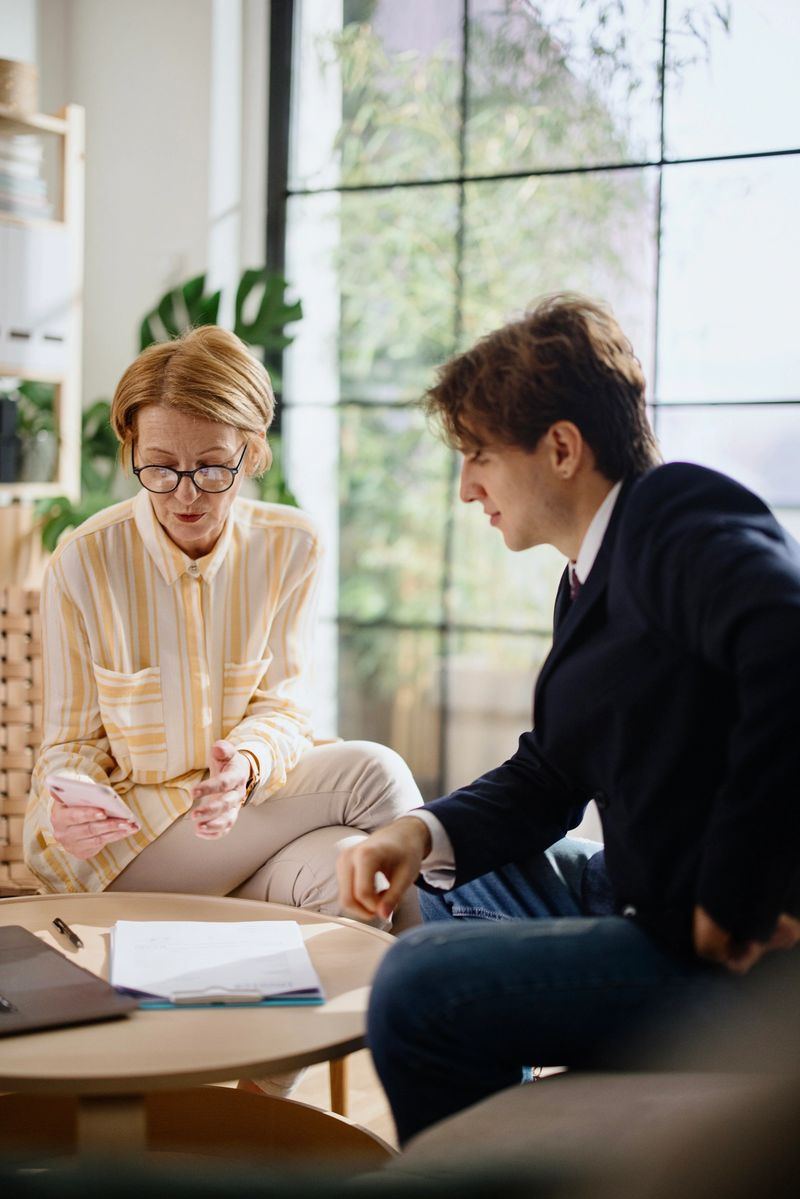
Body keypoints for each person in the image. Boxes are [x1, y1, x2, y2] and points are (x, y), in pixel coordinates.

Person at [336, 293, 800, 1144]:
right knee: (441, 882)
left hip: (736, 950)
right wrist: (416, 832)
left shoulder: (670, 517)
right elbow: (553, 774)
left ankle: (503, 1160)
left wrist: (732, 897)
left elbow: (788, 644)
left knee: (414, 985)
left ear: (560, 447)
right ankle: (528, 1116)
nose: (466, 485)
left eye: (477, 453)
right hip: (642, 888)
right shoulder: (590, 575)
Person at [25, 325, 423, 933]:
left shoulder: (292, 547)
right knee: (376, 774)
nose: (185, 495)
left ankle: (339, 1025)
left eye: (213, 468)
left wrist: (246, 765)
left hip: (243, 822)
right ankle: (435, 998)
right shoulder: (85, 560)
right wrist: (72, 802)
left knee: (346, 872)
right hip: (126, 853)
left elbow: (283, 710)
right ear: (131, 447)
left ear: (253, 451)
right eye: (158, 467)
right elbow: (69, 746)